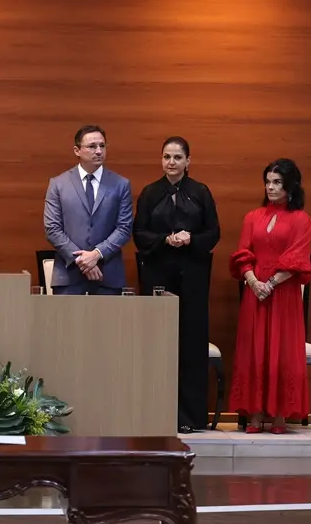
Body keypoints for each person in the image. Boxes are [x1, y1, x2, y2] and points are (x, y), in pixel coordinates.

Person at [133, 136, 221, 433]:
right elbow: (139, 234)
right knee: (159, 345)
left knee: (190, 345)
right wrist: (165, 240)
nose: (171, 162)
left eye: (177, 157)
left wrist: (190, 239)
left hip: (193, 278)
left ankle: (190, 417)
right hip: (159, 275)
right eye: (167, 157)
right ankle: (156, 413)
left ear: (188, 161)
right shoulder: (150, 192)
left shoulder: (201, 192)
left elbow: (214, 233)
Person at [229, 158, 311, 434]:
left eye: (277, 182)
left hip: (283, 294)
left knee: (282, 350)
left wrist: (271, 283)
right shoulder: (252, 216)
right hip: (256, 293)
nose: (271, 187)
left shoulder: (302, 219)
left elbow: (298, 259)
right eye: (268, 182)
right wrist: (254, 282)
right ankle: (254, 415)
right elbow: (243, 253)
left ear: (290, 186)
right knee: (254, 349)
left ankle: (279, 417)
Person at [44, 125, 133, 295]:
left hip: (107, 275)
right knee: (65, 322)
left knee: (109, 322)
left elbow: (124, 228)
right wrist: (83, 260)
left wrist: (97, 254)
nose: (99, 151)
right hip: (69, 275)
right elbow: (52, 229)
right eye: (92, 146)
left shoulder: (121, 185)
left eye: (102, 146)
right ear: (77, 150)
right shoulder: (58, 184)